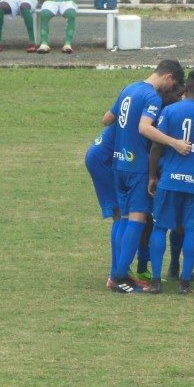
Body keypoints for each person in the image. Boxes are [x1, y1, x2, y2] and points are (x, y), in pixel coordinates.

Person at [101, 59, 189, 294]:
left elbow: (106, 119)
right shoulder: (152, 97)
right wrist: (175, 142)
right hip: (137, 166)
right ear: (169, 77)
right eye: (173, 85)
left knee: (122, 218)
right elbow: (144, 128)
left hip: (119, 163)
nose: (170, 91)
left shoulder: (129, 88)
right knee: (137, 220)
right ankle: (119, 277)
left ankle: (115, 273)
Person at [146, 70, 194, 294]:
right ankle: (185, 283)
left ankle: (157, 281)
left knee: (160, 226)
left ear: (185, 88)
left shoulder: (170, 110)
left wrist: (152, 175)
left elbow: (157, 146)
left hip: (170, 179)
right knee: (192, 230)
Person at [85, 121, 121, 285]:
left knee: (122, 216)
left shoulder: (131, 95)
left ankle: (119, 271)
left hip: (99, 155)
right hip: (104, 161)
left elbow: (106, 118)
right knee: (122, 215)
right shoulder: (150, 103)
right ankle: (116, 274)